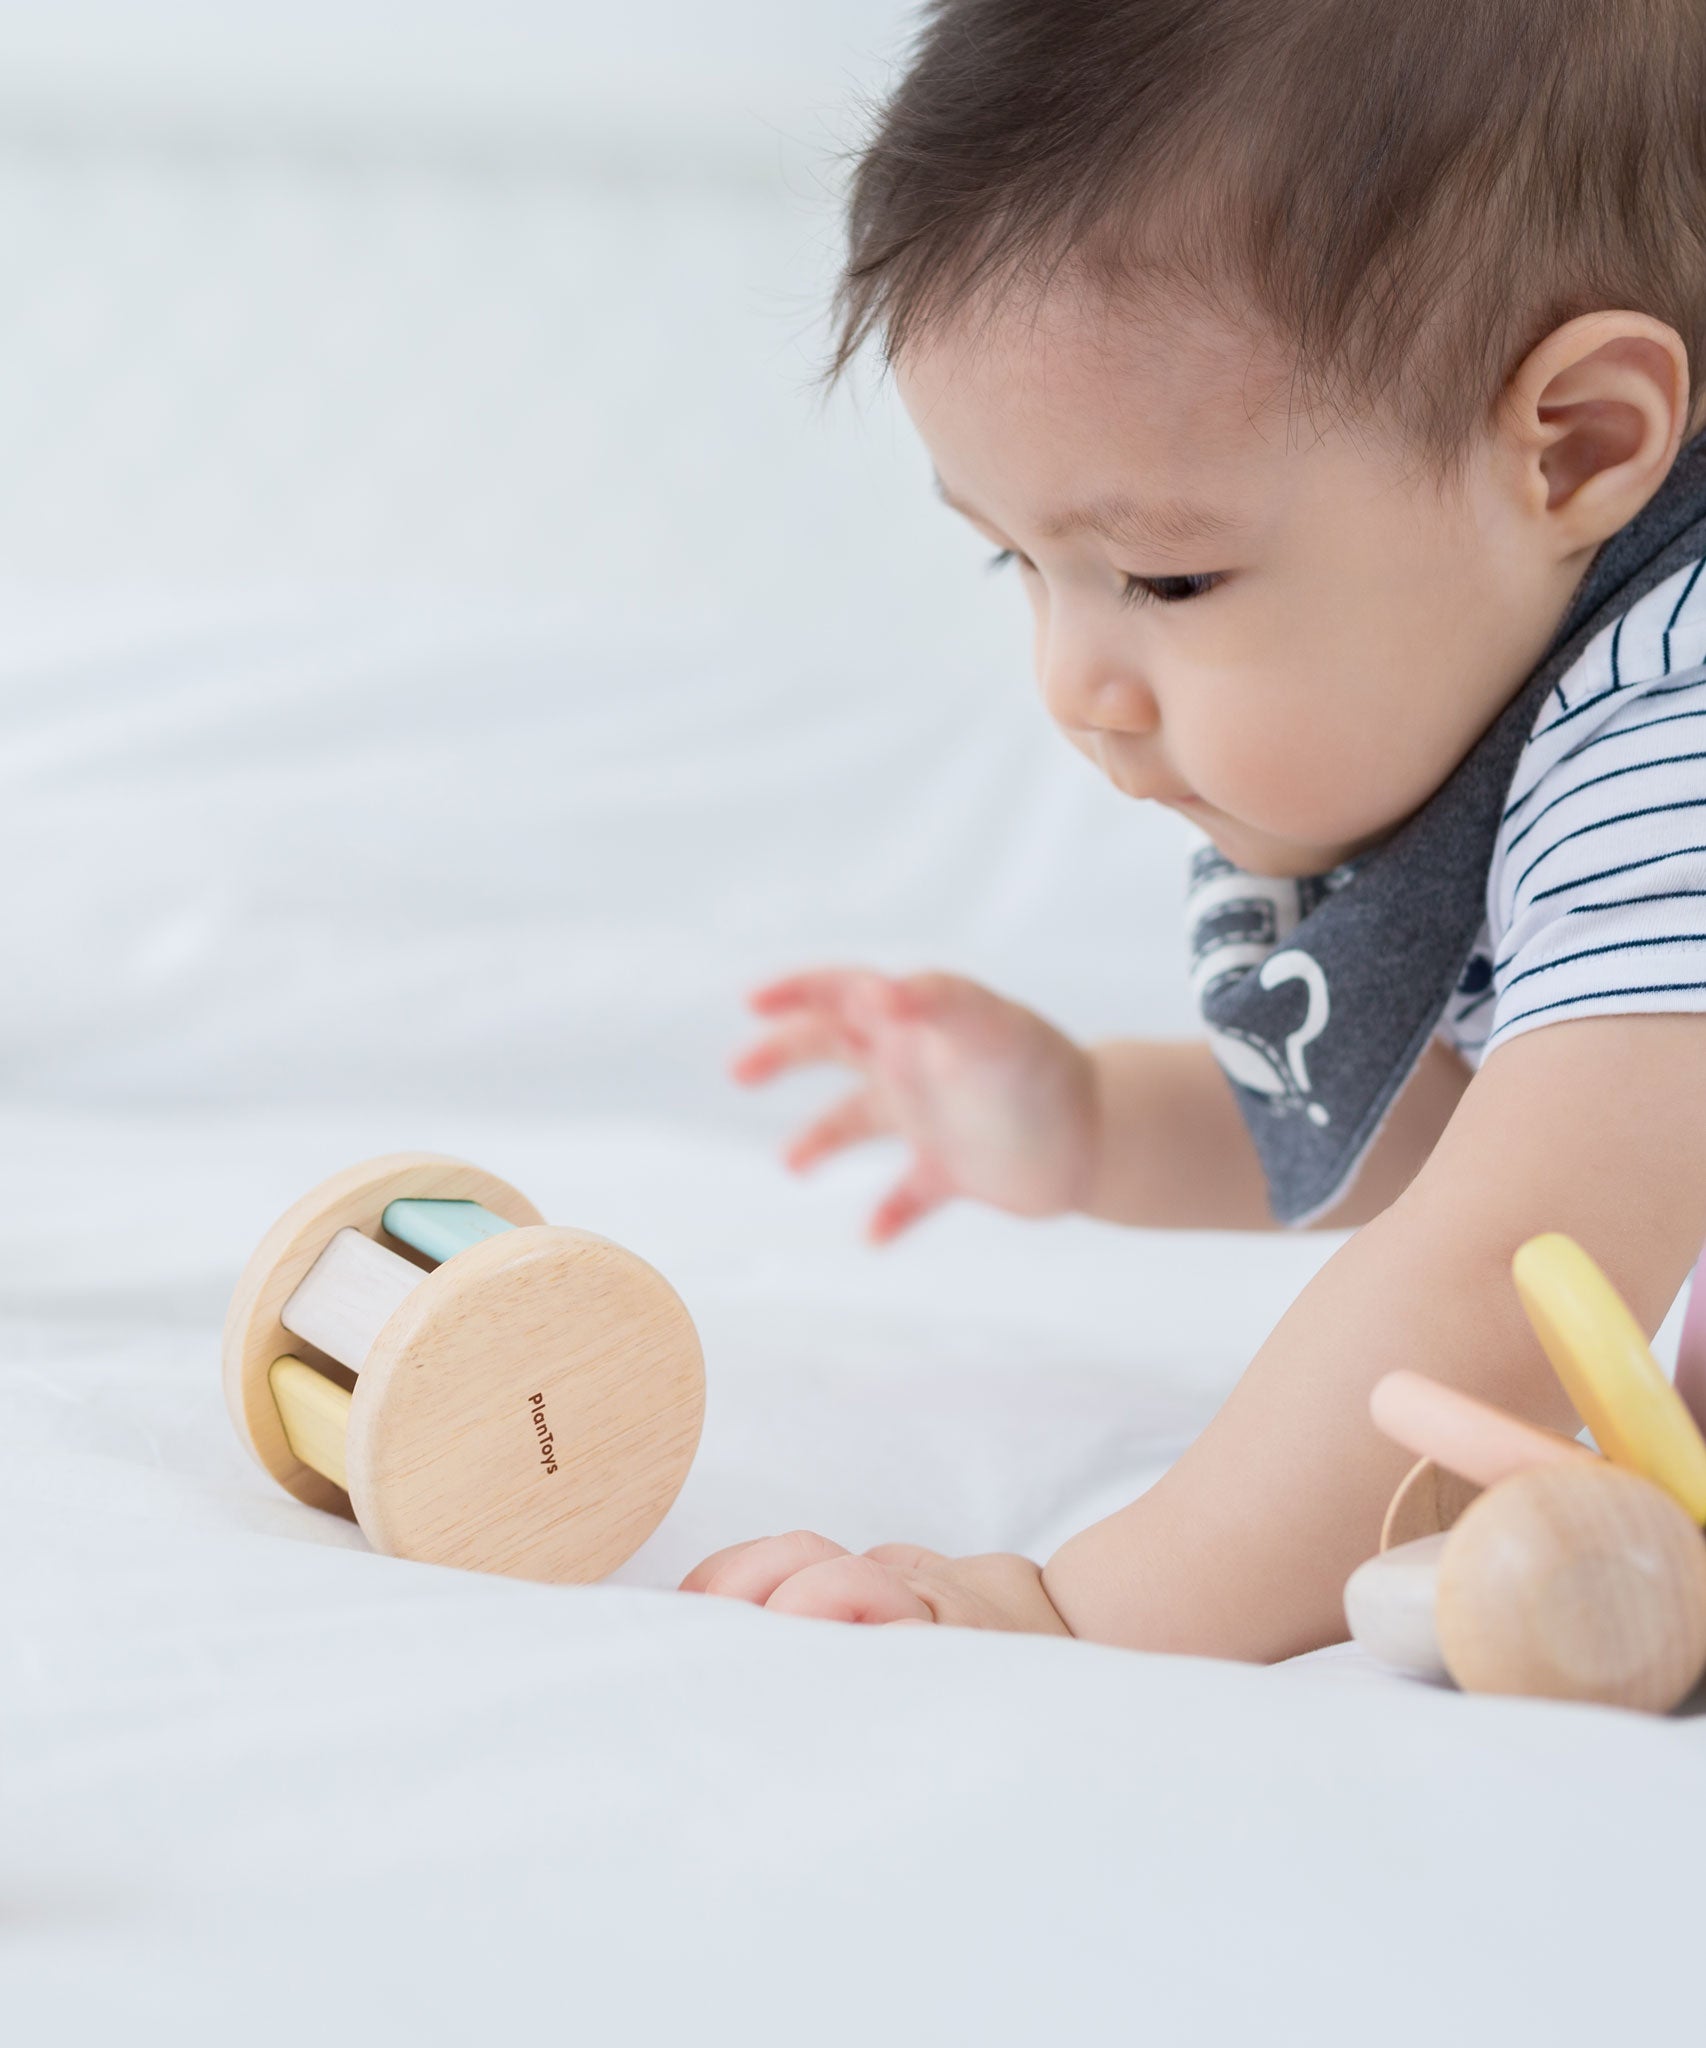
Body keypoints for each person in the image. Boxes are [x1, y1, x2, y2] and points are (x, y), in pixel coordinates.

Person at [681, 0, 1706, 1658]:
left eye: (1164, 578)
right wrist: (1089, 1124)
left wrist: (1083, 1606)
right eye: (1016, 562)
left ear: (1576, 443)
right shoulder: (1535, 690)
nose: (1079, 684)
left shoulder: (1674, 730)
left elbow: (1510, 1264)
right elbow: (1466, 1124)